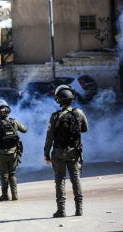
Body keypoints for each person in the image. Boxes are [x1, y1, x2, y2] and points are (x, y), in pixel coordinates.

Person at [44, 85, 89, 218]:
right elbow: (85, 129)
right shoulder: (79, 113)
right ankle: (79, 209)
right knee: (76, 179)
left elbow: (49, 137)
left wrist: (46, 153)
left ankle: (61, 210)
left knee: (60, 181)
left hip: (58, 153)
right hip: (74, 152)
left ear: (59, 100)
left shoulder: (55, 116)